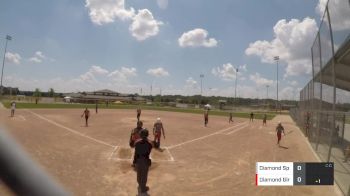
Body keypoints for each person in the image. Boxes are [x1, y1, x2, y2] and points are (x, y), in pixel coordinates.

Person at [134, 129, 153, 194]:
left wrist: (134, 162)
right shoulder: (150, 144)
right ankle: (143, 188)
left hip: (138, 160)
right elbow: (148, 151)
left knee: (139, 173)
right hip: (145, 160)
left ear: (141, 135)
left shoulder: (136, 143)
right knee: (144, 175)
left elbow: (136, 153)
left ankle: (140, 184)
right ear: (147, 135)